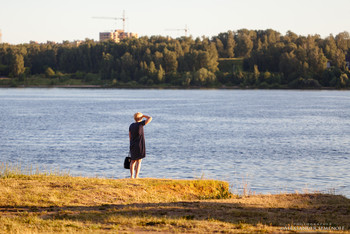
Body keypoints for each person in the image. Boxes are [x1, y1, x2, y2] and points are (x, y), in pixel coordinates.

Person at [129, 112, 152, 179]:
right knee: (139, 161)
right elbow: (150, 118)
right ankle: (136, 176)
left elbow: (130, 136)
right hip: (139, 144)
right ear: (140, 118)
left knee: (133, 161)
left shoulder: (131, 125)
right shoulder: (140, 124)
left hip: (132, 144)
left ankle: (131, 176)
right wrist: (143, 116)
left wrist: (131, 144)